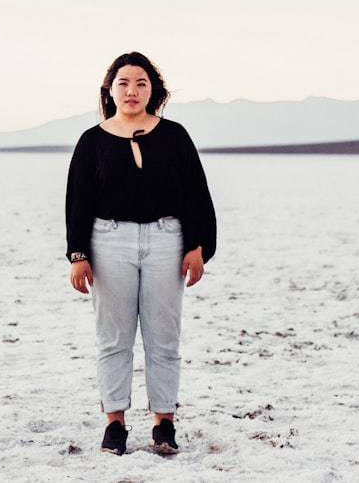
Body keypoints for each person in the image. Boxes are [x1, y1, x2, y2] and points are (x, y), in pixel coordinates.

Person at [64, 51, 216, 456]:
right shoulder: (92, 141)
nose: (131, 91)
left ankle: (164, 424)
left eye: (141, 83)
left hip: (167, 240)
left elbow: (197, 194)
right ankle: (115, 424)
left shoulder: (176, 136)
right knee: (113, 338)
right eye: (124, 83)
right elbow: (78, 201)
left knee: (164, 338)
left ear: (154, 90)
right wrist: (78, 253)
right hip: (108, 241)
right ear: (110, 90)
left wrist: (197, 246)